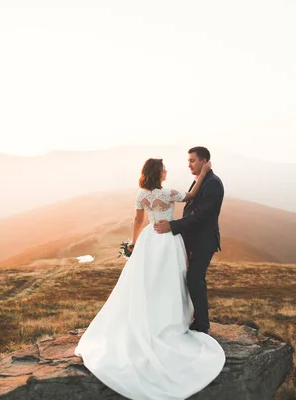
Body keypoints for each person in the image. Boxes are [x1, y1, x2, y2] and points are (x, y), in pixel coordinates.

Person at [74, 155, 225, 400]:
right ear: (159, 172)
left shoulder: (141, 195)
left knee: (146, 281)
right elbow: (192, 196)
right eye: (164, 168)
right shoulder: (168, 194)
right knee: (170, 281)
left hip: (148, 239)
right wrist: (204, 174)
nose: (166, 170)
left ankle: (146, 316)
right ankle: (171, 318)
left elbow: (137, 220)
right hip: (167, 241)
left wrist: (134, 243)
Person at [154, 146, 224, 334]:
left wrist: (173, 226)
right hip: (192, 239)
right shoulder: (202, 181)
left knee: (194, 279)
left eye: (192, 161)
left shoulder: (213, 183)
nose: (189, 165)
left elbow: (201, 215)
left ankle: (202, 325)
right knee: (192, 279)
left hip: (204, 240)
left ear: (204, 161)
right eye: (188, 161)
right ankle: (195, 319)